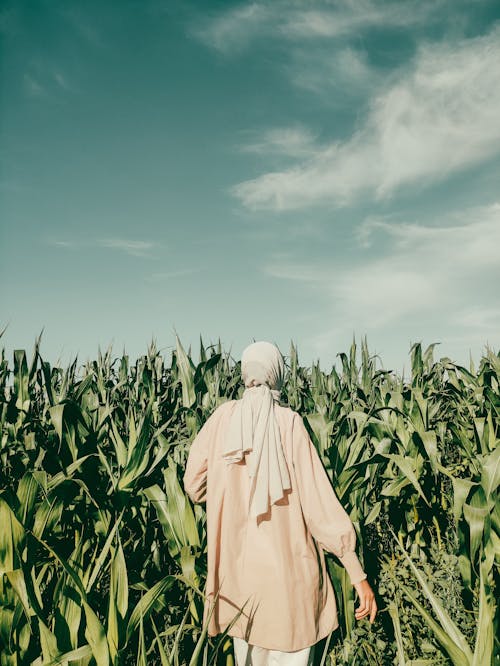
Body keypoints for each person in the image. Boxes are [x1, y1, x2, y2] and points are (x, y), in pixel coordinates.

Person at [183, 341, 377, 665]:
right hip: (291, 587)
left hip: (238, 589)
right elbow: (319, 507)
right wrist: (356, 573)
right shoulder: (289, 423)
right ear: (276, 375)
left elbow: (193, 485)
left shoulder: (221, 420)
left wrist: (225, 493)